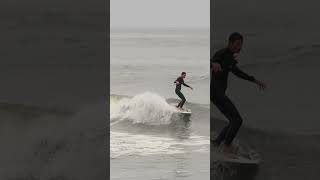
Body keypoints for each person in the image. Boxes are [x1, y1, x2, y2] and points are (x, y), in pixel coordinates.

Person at [211, 32, 266, 154]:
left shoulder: (230, 57)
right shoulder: (222, 54)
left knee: (233, 120)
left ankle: (217, 142)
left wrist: (254, 80)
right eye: (237, 44)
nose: (239, 47)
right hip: (216, 93)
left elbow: (237, 72)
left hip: (216, 94)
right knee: (237, 120)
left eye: (241, 44)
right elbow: (210, 61)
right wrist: (212, 64)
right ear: (230, 43)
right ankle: (226, 147)